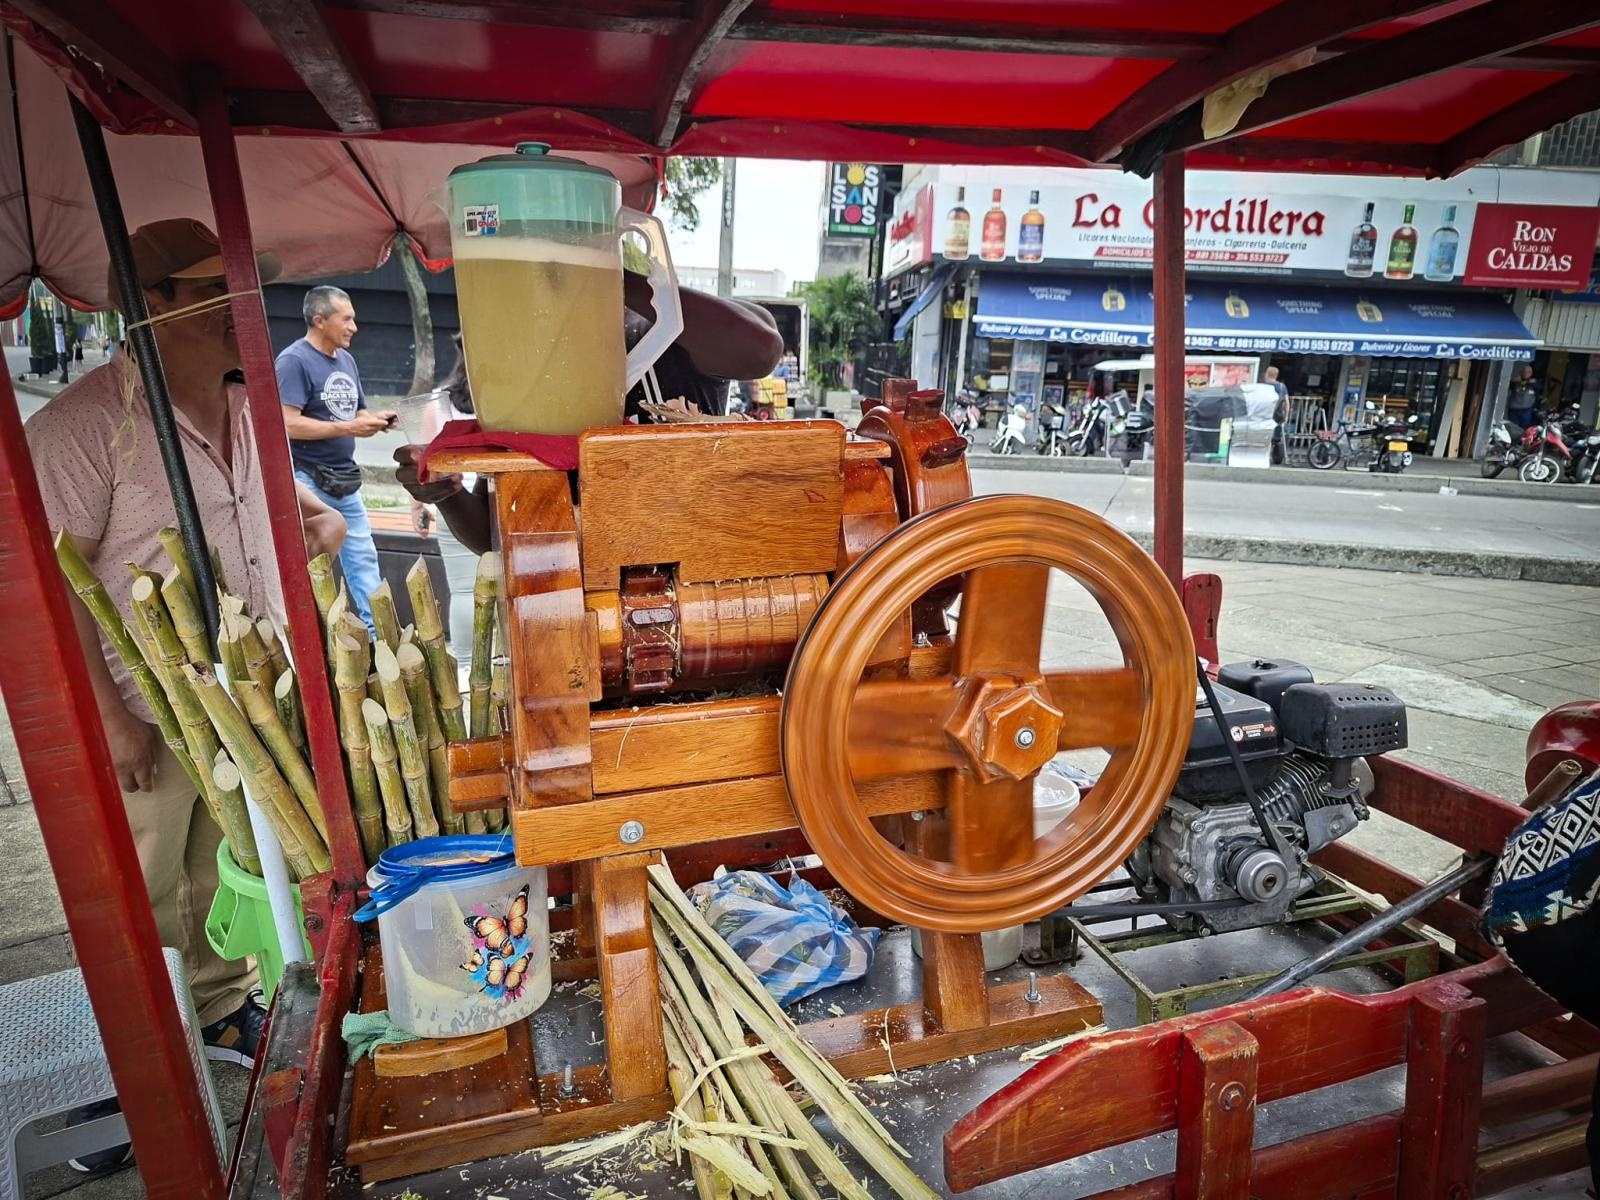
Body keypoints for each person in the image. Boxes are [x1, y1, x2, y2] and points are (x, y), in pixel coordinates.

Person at [26, 219, 346, 1173]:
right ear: (150, 306)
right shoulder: (86, 426)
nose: (241, 307)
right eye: (214, 291)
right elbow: (55, 586)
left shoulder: (250, 407)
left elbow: (289, 507)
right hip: (150, 705)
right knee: (144, 889)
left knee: (221, 873)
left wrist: (321, 525)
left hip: (245, 701)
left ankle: (217, 1013)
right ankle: (125, 1073)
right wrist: (109, 719)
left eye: (242, 286)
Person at [395, 277, 782, 556]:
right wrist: (445, 492)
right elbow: (492, 532)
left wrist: (606, 273)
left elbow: (760, 346)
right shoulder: (531, 381)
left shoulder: (663, 336)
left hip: (693, 585)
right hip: (581, 603)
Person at [276, 286, 395, 631]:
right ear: (320, 321)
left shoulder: (346, 360)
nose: (354, 327)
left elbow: (356, 412)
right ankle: (308, 634)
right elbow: (287, 423)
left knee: (363, 557)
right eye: (346, 319)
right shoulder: (294, 361)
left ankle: (378, 637)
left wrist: (372, 422)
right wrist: (348, 428)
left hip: (345, 479)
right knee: (313, 564)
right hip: (307, 479)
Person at [1265, 365, 1289, 464]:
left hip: (1264, 414)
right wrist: (1286, 415)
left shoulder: (1263, 386)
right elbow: (1287, 402)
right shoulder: (1282, 387)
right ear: (1276, 375)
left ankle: (1264, 455)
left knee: (1264, 436)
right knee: (1275, 438)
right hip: (1277, 416)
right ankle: (1270, 456)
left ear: (1267, 374)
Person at [1507, 364, 1539, 431]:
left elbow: (1538, 386)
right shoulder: (1516, 382)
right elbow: (1507, 385)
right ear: (1521, 372)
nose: (1526, 373)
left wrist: (1526, 381)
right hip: (1514, 409)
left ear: (1531, 373)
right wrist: (1514, 381)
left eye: (1529, 372)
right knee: (1513, 428)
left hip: (1526, 410)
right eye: (1525, 371)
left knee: (1525, 429)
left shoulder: (1533, 383)